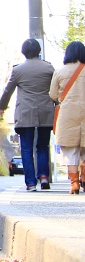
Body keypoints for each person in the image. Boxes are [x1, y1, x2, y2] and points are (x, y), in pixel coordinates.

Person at [0, 39, 55, 192]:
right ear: (39, 51)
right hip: (46, 111)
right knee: (43, 146)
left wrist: (2, 107)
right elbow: (56, 90)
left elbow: (8, 91)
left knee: (27, 149)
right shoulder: (49, 68)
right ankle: (43, 177)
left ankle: (30, 183)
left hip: (26, 113)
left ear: (24, 52)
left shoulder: (18, 70)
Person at [49, 41, 85, 194]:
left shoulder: (60, 71)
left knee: (71, 152)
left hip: (68, 114)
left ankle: (75, 184)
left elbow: (52, 95)